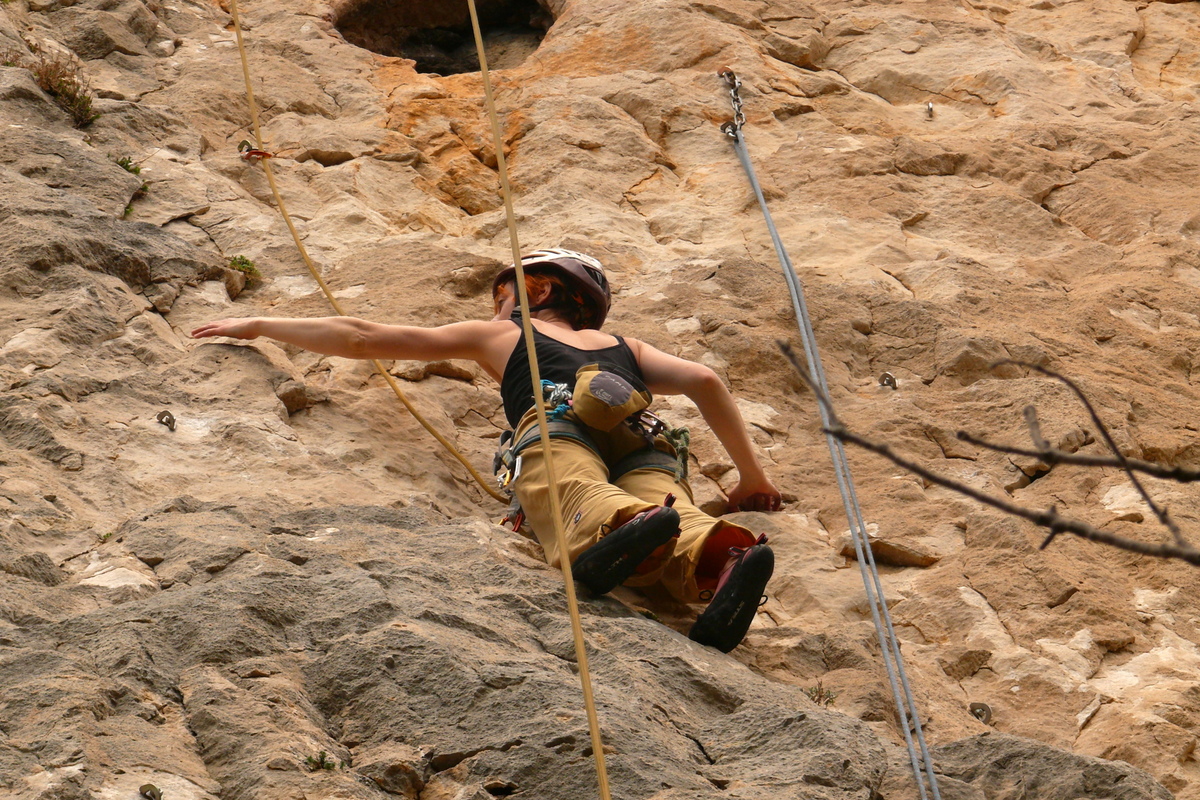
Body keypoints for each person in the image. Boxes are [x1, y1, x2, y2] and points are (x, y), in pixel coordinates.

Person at [191, 249, 783, 652]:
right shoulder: (624, 345)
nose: (494, 307)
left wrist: (262, 324)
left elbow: (363, 337)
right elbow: (705, 379)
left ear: (538, 290)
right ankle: (722, 557)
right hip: (645, 439)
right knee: (677, 507)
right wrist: (751, 478)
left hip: (557, 423)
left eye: (502, 294)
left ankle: (626, 527)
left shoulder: (504, 332)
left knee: (573, 487)